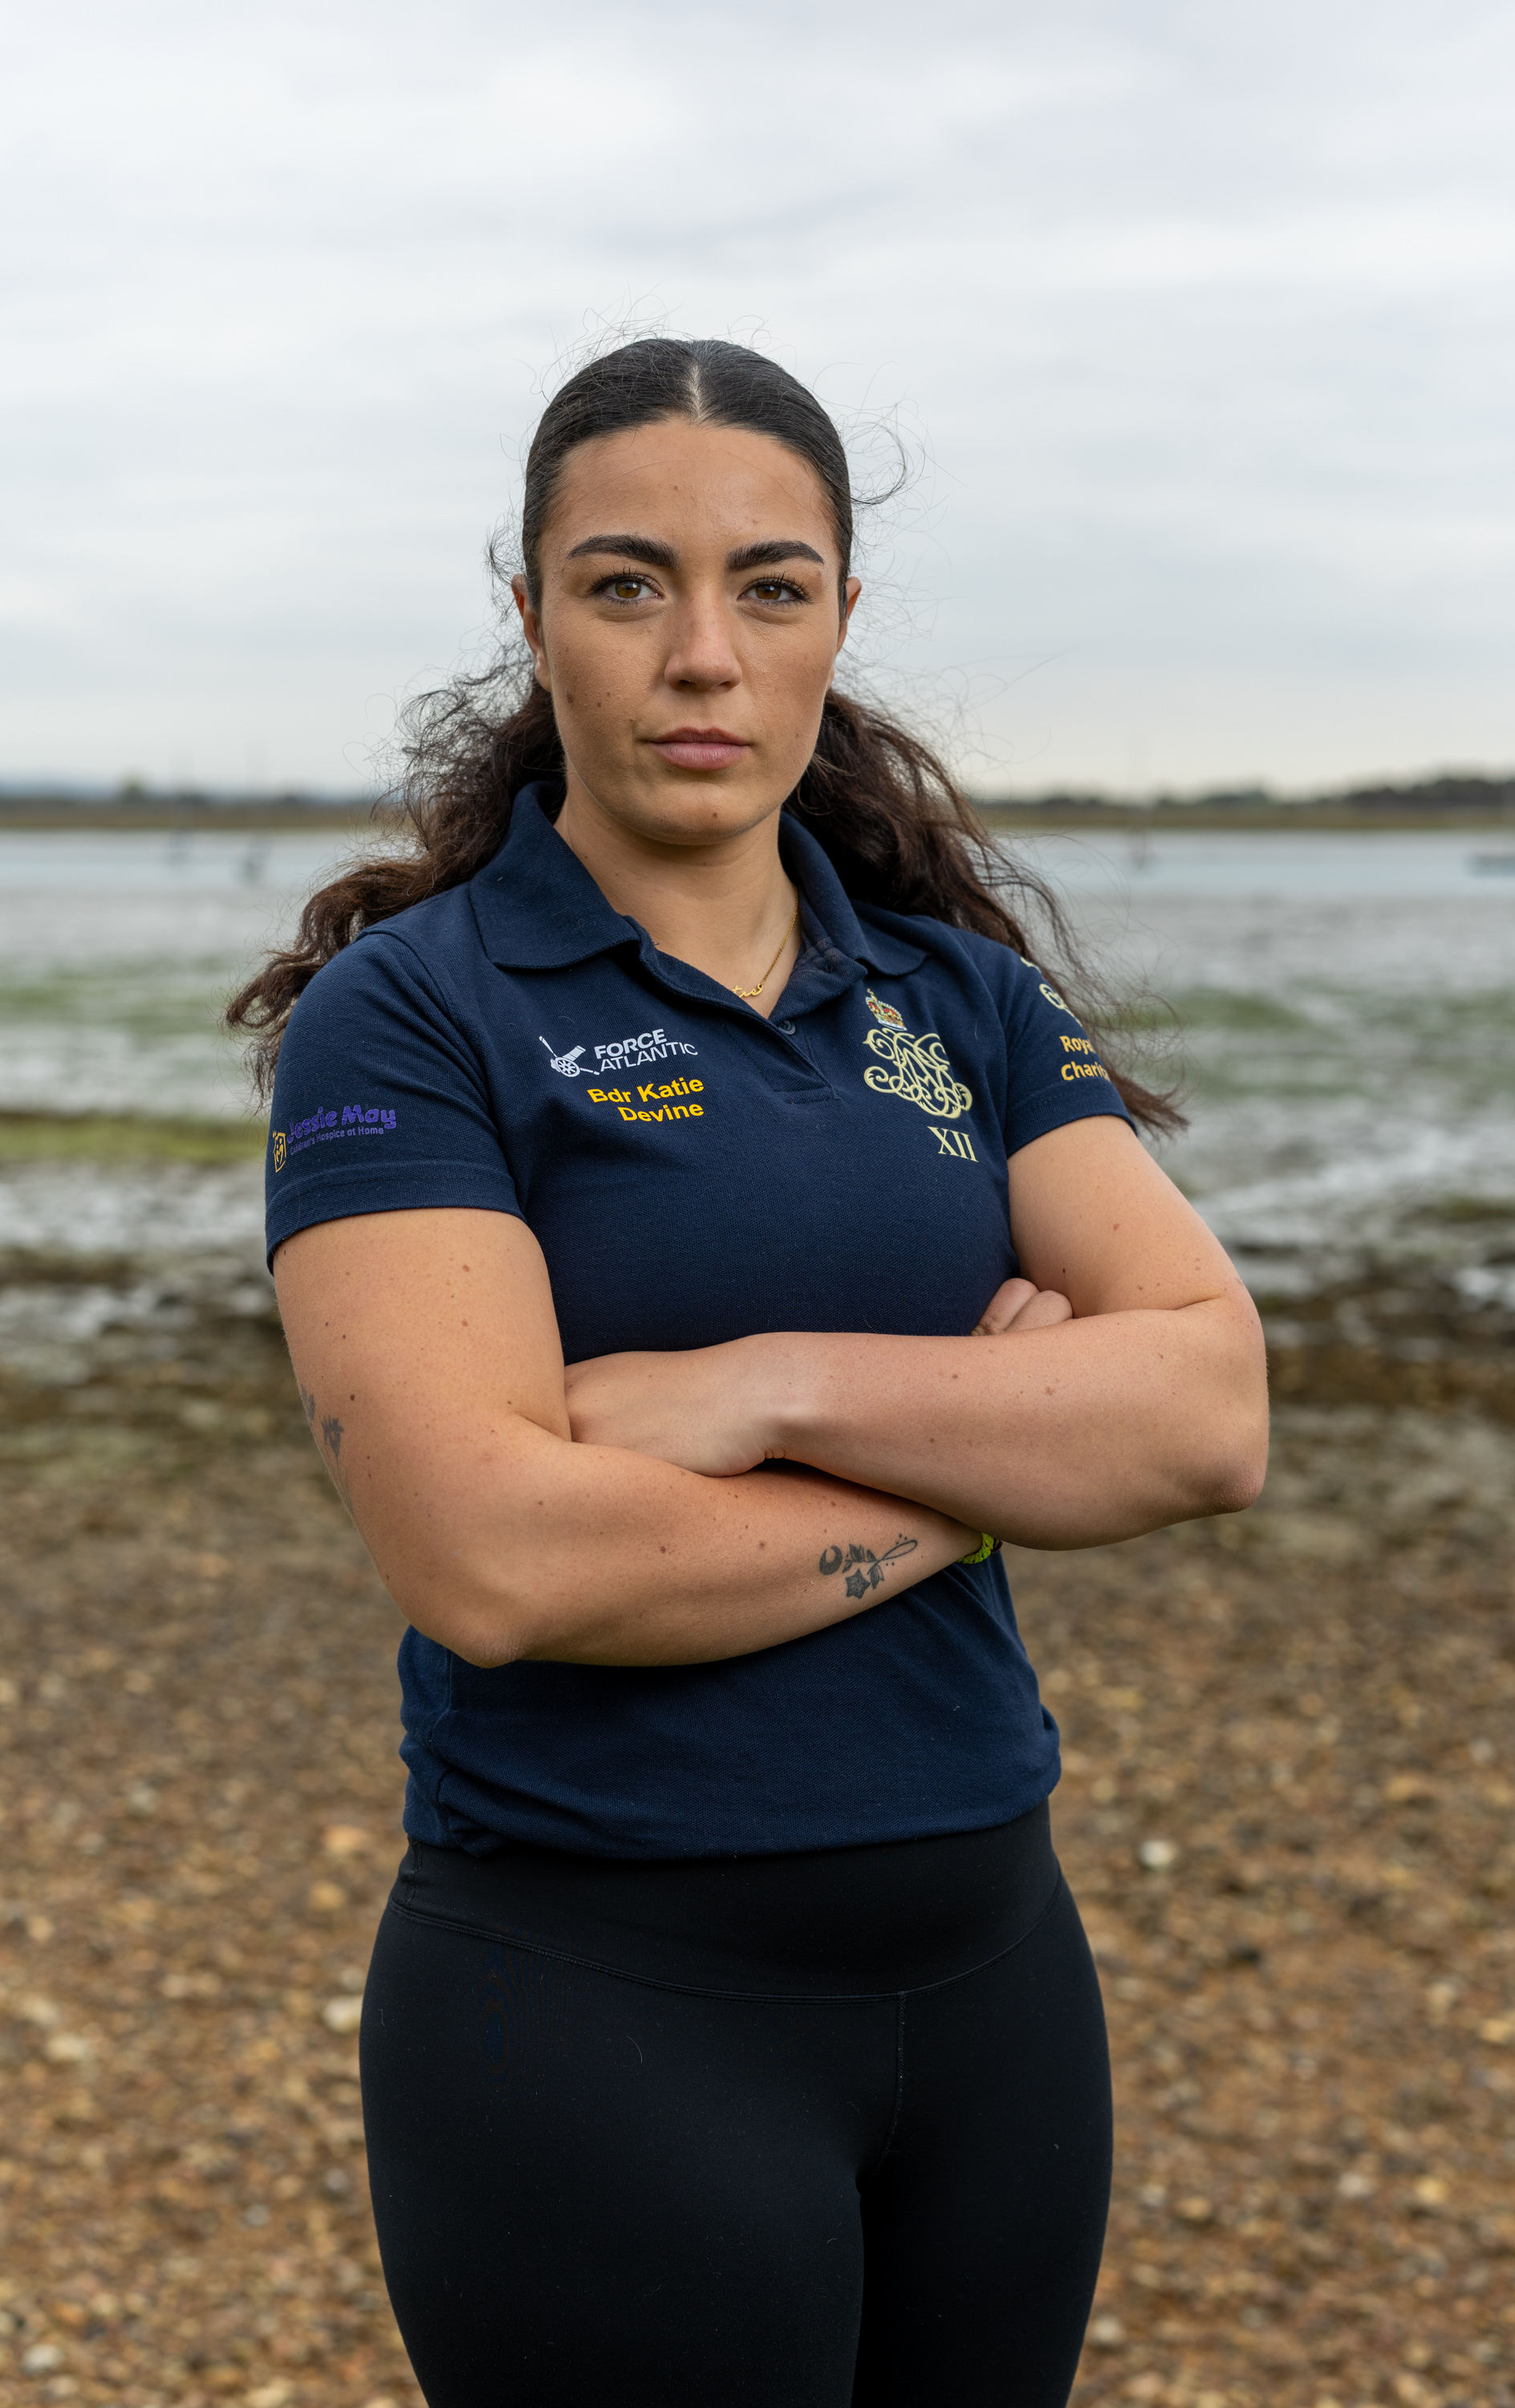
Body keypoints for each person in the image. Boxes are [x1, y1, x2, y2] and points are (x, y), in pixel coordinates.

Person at [229, 337, 1267, 2408]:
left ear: (838, 626)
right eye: (627, 586)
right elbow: (505, 1563)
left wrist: (765, 1385)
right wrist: (983, 1462)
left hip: (997, 1977)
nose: (703, 653)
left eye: (769, 589)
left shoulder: (962, 999)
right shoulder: (408, 1018)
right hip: (601, 1992)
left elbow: (1209, 1411)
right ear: (532, 619)